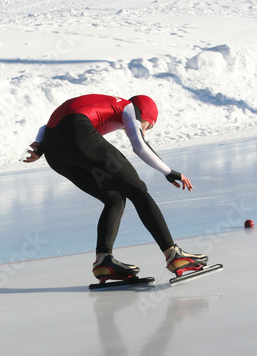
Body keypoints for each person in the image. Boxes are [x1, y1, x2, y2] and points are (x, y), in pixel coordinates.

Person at [24, 94, 208, 283]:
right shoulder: (129, 107)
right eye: (148, 126)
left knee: (114, 196)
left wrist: (39, 147)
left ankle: (104, 261)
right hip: (77, 132)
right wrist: (169, 172)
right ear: (145, 117)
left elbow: (44, 128)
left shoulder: (107, 105)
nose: (145, 130)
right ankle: (173, 255)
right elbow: (139, 146)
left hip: (54, 152)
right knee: (137, 190)